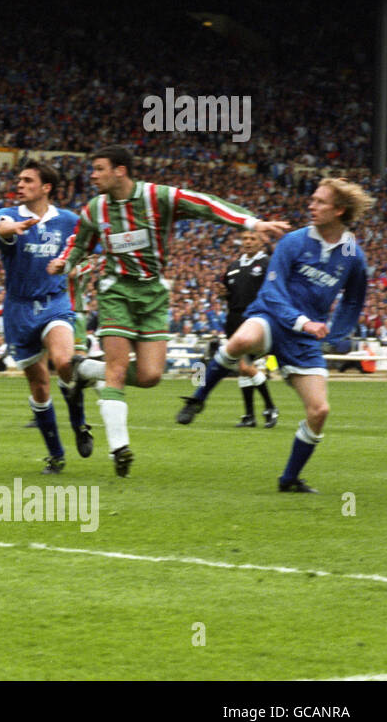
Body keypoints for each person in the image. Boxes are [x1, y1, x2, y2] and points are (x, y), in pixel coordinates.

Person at [47, 145, 288, 477]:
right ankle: (120, 448)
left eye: (99, 168)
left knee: (150, 376)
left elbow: (205, 205)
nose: (92, 175)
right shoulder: (94, 209)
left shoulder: (157, 198)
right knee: (117, 369)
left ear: (120, 171)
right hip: (116, 291)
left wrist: (250, 221)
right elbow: (80, 244)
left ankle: (85, 370)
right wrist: (65, 262)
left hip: (154, 294)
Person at [177, 179, 372, 493]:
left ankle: (289, 479)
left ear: (339, 210)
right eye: (312, 199)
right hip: (271, 317)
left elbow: (354, 298)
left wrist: (337, 332)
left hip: (305, 339)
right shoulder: (294, 241)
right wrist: (302, 321)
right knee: (239, 341)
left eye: (320, 202)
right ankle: (197, 398)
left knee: (320, 411)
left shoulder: (353, 255)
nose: (311, 206)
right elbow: (273, 290)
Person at [0, 161, 94, 473]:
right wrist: (13, 229)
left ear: (46, 187)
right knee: (39, 386)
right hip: (19, 309)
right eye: (19, 179)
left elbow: (90, 251)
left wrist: (75, 265)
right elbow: (1, 229)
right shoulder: (6, 214)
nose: (20, 184)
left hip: (54, 301)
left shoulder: (69, 220)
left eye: (27, 180)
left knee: (64, 362)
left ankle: (80, 424)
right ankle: (56, 454)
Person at [218, 232, 279, 428]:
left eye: (253, 239)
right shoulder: (234, 266)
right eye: (245, 239)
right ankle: (249, 416)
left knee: (245, 367)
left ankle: (270, 406)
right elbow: (230, 294)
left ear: (261, 242)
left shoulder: (268, 263)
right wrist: (223, 294)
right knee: (242, 369)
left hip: (255, 319)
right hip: (234, 319)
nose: (248, 242)